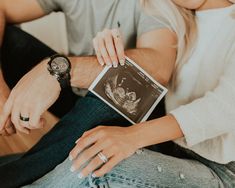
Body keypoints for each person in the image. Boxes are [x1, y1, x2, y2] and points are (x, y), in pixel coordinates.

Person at [27, 0, 235, 187]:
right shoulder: (177, 21)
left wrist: (133, 137)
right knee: (93, 154)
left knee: (102, 167)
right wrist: (112, 47)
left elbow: (223, 108)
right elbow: (153, 66)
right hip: (170, 147)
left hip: (220, 169)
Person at [0, 0, 176, 187]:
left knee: (129, 86)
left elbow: (159, 67)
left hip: (132, 118)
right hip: (80, 97)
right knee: (10, 39)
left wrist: (59, 70)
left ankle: (12, 176)